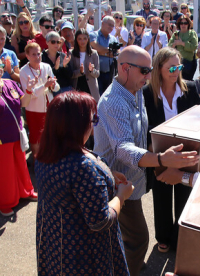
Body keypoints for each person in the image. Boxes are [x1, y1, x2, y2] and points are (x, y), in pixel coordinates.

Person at [94, 45, 199, 275]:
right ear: (124, 68)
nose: (147, 75)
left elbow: (143, 132)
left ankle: (129, 264)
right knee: (139, 238)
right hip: (118, 180)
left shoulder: (136, 89)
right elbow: (123, 149)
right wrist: (161, 158)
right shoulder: (114, 101)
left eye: (149, 69)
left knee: (125, 237)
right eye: (144, 70)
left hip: (132, 179)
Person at [35, 91, 133, 275]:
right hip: (84, 255)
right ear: (77, 125)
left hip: (55, 243)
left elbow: (68, 187)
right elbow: (100, 221)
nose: (94, 126)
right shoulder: (84, 169)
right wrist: (122, 196)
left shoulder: (45, 154)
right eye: (93, 120)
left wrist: (107, 175)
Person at [142, 47, 200, 253]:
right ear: (158, 69)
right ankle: (164, 236)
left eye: (179, 66)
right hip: (160, 156)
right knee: (162, 196)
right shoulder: (146, 94)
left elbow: (199, 121)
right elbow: (145, 127)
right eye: (171, 67)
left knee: (185, 196)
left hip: (186, 154)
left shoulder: (191, 89)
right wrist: (159, 156)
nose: (176, 71)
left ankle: (180, 237)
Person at [0, 68, 37, 217]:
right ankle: (6, 203)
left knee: (20, 164)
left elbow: (23, 103)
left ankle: (25, 191)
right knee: (6, 171)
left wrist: (28, 90)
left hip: (17, 133)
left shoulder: (10, 83)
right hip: (2, 139)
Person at [20, 43, 59, 157]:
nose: (37, 57)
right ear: (27, 56)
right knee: (36, 137)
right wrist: (45, 86)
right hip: (34, 109)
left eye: (39, 54)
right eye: (33, 54)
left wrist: (52, 85)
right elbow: (31, 94)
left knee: (50, 133)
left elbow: (56, 87)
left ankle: (49, 158)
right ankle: (37, 163)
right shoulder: (24, 71)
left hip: (49, 106)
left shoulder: (46, 66)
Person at [70, 29, 100, 102]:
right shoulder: (72, 53)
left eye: (84, 38)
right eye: (79, 39)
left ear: (88, 39)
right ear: (76, 40)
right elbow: (71, 74)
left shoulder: (94, 53)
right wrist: (80, 71)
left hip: (91, 86)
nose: (82, 41)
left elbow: (97, 74)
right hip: (78, 84)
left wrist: (91, 70)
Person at [90, 16, 118, 95]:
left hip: (110, 73)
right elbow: (96, 47)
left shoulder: (113, 39)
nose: (111, 27)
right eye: (109, 24)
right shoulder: (93, 35)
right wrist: (108, 52)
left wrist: (102, 53)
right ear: (102, 23)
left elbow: (116, 53)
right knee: (98, 95)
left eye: (113, 26)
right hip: (97, 73)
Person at [168, 15, 198, 81]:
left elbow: (194, 46)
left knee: (187, 83)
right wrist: (175, 44)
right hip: (177, 63)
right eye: (181, 23)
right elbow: (169, 47)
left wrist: (182, 43)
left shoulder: (192, 33)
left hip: (189, 63)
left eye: (185, 23)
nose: (183, 25)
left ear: (188, 24)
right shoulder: (176, 34)